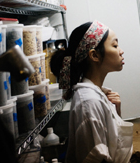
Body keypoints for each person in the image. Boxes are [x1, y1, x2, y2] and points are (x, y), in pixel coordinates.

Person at [51, 20, 133, 163]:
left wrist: (115, 111)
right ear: (94, 55)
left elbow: (110, 140)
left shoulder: (97, 95)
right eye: (114, 45)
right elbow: (96, 157)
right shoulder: (89, 102)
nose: (121, 51)